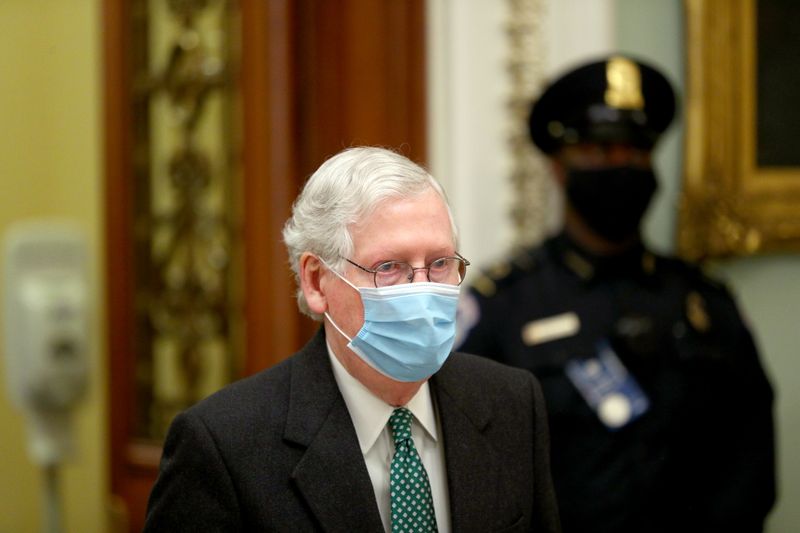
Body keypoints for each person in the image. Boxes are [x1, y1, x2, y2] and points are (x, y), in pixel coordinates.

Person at [144, 146, 561, 532]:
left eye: (439, 263)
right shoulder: (223, 444)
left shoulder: (512, 402)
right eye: (389, 267)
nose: (421, 290)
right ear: (316, 281)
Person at [456, 55, 776, 533]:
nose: (620, 165)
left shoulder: (706, 303)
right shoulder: (504, 306)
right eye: (601, 151)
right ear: (560, 167)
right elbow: (468, 471)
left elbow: (752, 460)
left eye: (634, 150)